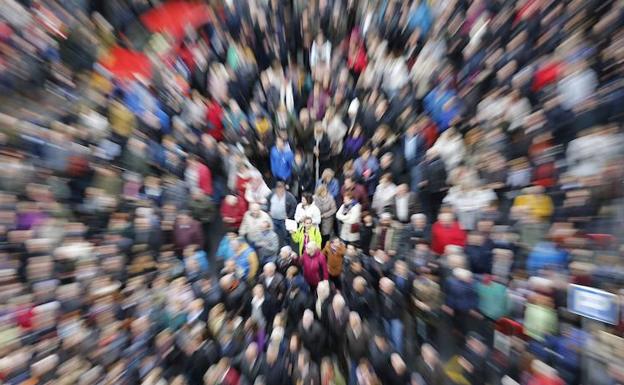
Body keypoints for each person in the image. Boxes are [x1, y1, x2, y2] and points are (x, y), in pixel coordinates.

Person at [267, 181, 297, 245]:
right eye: (278, 188)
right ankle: (273, 248)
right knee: (272, 235)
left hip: (284, 220)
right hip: (273, 219)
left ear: (284, 188)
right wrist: (268, 210)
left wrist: (289, 216)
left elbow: (294, 206)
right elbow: (267, 201)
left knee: (286, 236)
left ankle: (287, 249)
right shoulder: (272, 194)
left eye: (281, 188)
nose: (280, 190)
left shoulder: (289, 196)